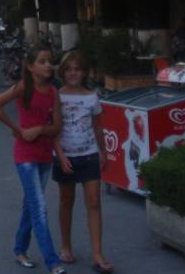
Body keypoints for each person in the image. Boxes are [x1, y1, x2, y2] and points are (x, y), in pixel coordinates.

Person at [0, 47, 67, 274]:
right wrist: (17, 129)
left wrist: (39, 129)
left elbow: (57, 127)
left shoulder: (53, 92)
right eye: (42, 61)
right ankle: (53, 262)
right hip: (25, 156)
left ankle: (20, 250)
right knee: (39, 207)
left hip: (44, 155)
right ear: (31, 67)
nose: (48, 65)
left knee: (30, 205)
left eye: (49, 61)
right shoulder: (24, 87)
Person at [53, 51, 114, 273]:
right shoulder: (57, 96)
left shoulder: (92, 97)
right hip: (65, 156)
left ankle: (97, 254)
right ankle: (66, 245)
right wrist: (60, 155)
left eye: (77, 69)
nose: (73, 73)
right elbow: (53, 129)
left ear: (84, 72)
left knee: (94, 202)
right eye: (69, 69)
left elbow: (98, 126)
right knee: (66, 201)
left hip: (89, 154)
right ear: (62, 72)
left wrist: (104, 151)